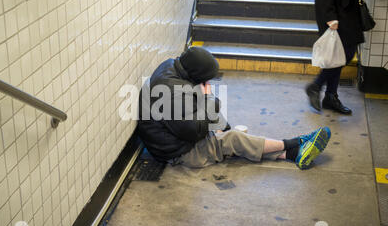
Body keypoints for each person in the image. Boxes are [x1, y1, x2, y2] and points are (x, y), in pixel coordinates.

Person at [138, 47, 331, 170]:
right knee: (233, 139)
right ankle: (294, 143)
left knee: (229, 134)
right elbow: (191, 132)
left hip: (173, 138)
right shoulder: (173, 93)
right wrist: (208, 99)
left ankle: (291, 153)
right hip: (179, 154)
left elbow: (188, 117)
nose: (207, 82)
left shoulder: (172, 66)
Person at [306, 0, 387, 115]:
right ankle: (316, 86)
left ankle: (329, 95)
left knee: (343, 53)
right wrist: (330, 15)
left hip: (348, 8)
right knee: (344, 53)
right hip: (332, 10)